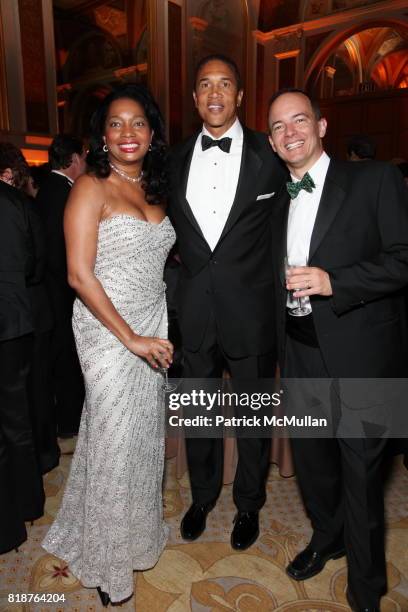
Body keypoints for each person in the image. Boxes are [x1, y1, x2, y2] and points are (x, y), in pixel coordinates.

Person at [267, 88, 408, 612]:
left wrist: (336, 281)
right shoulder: (275, 197)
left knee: (362, 473)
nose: (290, 133)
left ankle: (366, 585)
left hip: (364, 354)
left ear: (322, 127)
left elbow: (403, 258)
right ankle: (327, 537)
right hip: (300, 350)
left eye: (299, 120)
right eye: (279, 127)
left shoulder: (375, 180)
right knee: (315, 462)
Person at [42, 84, 175, 606]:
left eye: (138, 122)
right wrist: (132, 339)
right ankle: (109, 563)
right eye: (116, 123)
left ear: (151, 133)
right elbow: (78, 274)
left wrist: (153, 332)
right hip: (107, 330)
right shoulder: (89, 187)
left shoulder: (156, 187)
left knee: (138, 440)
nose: (127, 132)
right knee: (117, 440)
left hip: (152, 322)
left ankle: (135, 535)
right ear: (101, 134)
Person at [168, 54, 286, 550]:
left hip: (251, 313)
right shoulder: (170, 159)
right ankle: (201, 498)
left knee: (253, 420)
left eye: (225, 84)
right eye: (204, 85)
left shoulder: (270, 156)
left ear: (240, 95)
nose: (214, 94)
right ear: (195, 98)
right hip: (194, 310)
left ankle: (249, 505)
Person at [0, 143, 58, 475]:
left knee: (33, 393)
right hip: (29, 309)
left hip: (31, 312)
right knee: (32, 394)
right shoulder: (24, 205)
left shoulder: (24, 207)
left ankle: (43, 458)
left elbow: (35, 265)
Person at [0, 144, 45, 553]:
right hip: (15, 323)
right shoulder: (19, 203)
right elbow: (34, 266)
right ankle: (30, 503)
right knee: (17, 421)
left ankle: (7, 525)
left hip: (11, 323)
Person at [36, 135, 86, 438]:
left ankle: (65, 420)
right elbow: (60, 251)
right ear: (75, 158)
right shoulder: (65, 194)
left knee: (61, 360)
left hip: (52, 292)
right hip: (63, 293)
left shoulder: (48, 191)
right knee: (67, 359)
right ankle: (70, 422)